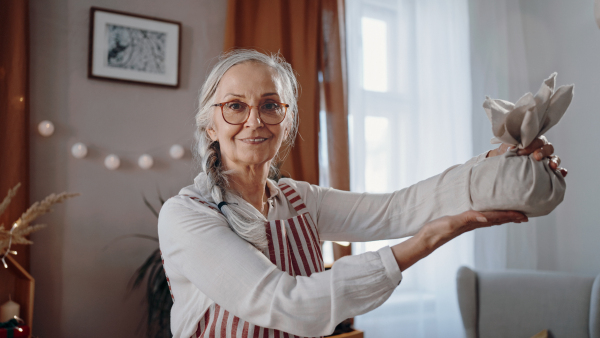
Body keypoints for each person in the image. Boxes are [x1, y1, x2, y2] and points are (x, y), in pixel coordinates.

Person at [158, 50, 567, 338]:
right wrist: (426, 240)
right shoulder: (186, 216)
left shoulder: (299, 200)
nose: (254, 121)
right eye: (234, 106)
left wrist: (497, 163)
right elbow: (287, 303)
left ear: (285, 120)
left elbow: (395, 209)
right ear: (210, 125)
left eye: (270, 106)